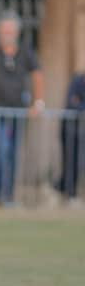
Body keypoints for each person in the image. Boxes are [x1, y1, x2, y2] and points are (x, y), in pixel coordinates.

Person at [0, 10, 44, 205]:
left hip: (18, 112)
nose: (7, 33)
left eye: (10, 30)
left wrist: (37, 103)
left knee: (13, 153)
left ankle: (9, 195)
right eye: (4, 30)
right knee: (0, 151)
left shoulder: (25, 51)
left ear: (17, 32)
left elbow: (37, 75)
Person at [58, 73, 85, 203]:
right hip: (70, 130)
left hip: (81, 131)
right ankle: (68, 193)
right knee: (71, 162)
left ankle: (60, 188)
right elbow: (72, 102)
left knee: (79, 164)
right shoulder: (78, 81)